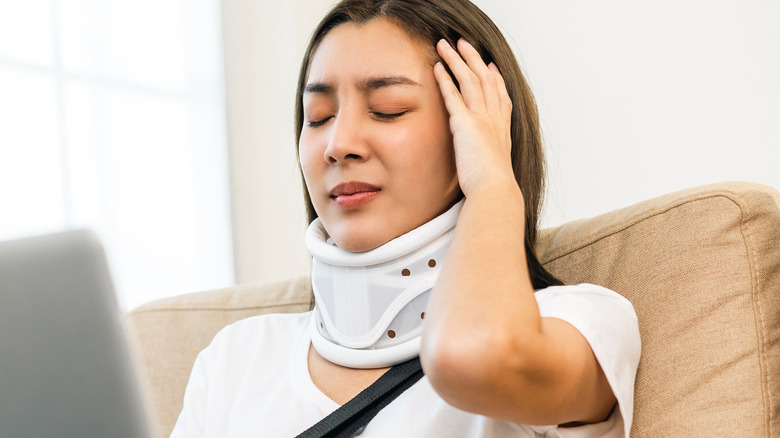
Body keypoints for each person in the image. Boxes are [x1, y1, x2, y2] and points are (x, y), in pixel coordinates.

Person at [171, 0, 641, 436]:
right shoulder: (236, 357)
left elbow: (475, 358)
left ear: (476, 131)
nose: (339, 144)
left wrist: (495, 182)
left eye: (387, 110)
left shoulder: (580, 321)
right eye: (317, 117)